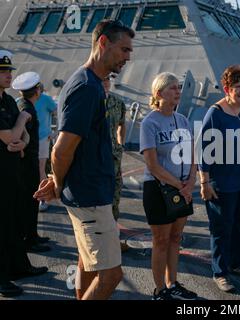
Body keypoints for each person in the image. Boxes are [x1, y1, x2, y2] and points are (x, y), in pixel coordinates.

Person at [34, 19, 135, 300]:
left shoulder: (87, 82)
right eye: (124, 49)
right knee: (111, 275)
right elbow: (61, 149)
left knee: (87, 263)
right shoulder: (86, 87)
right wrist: (57, 182)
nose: (128, 57)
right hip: (89, 197)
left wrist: (58, 180)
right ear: (103, 42)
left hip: (88, 192)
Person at [198, 65, 240, 292]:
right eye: (237, 87)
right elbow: (203, 149)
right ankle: (220, 272)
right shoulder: (215, 113)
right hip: (222, 182)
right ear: (227, 89)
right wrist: (204, 182)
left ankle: (235, 264)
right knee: (222, 227)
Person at [140, 72, 197, 300]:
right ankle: (159, 289)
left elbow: (193, 156)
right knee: (161, 240)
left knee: (176, 238)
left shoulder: (183, 120)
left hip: (182, 188)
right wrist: (179, 186)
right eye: (172, 88)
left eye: (178, 87)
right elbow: (152, 165)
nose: (178, 92)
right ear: (159, 93)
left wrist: (191, 181)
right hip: (158, 189)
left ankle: (173, 283)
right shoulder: (149, 122)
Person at [0, 51, 47, 298]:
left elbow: (22, 138)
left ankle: (19, 267)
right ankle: (2, 278)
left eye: (9, 70)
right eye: (3, 71)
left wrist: (19, 137)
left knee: (13, 223)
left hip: (12, 171)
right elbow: (10, 135)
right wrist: (22, 121)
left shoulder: (7, 100)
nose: (9, 74)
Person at [12, 72, 51, 253]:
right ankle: (30, 240)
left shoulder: (22, 104)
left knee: (31, 202)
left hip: (28, 162)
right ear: (37, 91)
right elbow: (19, 137)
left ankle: (32, 235)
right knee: (29, 202)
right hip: (27, 164)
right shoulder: (27, 109)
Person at [102, 74, 129, 252]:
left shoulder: (118, 103)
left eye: (108, 80)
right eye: (103, 80)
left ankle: (112, 240)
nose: (106, 83)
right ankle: (101, 242)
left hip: (114, 159)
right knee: (98, 202)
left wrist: (120, 144)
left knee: (115, 199)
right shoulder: (90, 102)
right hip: (96, 160)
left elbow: (121, 125)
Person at [35, 83, 57, 212]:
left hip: (43, 139)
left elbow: (57, 113)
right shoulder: (20, 101)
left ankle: (42, 199)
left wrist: (53, 133)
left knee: (40, 169)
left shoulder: (46, 99)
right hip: (26, 140)